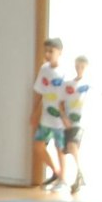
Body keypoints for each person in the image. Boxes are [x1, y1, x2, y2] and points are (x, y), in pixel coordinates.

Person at [31, 37, 69, 191]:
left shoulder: (64, 72)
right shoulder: (44, 69)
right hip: (45, 117)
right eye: (45, 51)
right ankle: (56, 172)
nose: (47, 54)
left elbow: (68, 96)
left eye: (51, 51)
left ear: (59, 52)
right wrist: (35, 112)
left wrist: (66, 116)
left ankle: (63, 180)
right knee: (38, 146)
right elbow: (40, 92)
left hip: (59, 119)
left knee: (60, 149)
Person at [61, 55, 91, 194]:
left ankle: (80, 173)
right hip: (68, 122)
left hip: (80, 122)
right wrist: (64, 117)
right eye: (77, 66)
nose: (79, 69)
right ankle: (70, 176)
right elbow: (60, 102)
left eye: (82, 67)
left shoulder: (88, 85)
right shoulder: (67, 84)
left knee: (72, 146)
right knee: (66, 148)